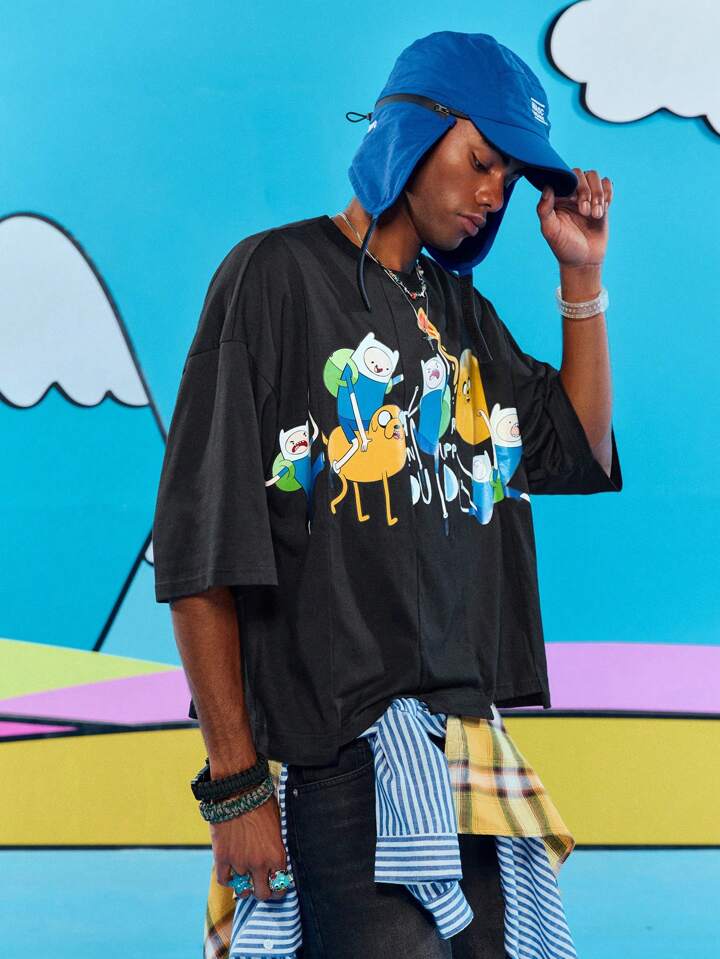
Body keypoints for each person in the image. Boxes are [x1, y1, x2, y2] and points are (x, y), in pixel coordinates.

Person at [152, 31, 621, 959]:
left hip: (463, 756)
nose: (494, 193)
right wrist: (236, 788)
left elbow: (574, 444)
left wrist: (582, 275)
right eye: (481, 160)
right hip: (336, 761)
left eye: (509, 176)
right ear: (412, 131)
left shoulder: (458, 313)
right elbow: (204, 544)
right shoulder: (272, 277)